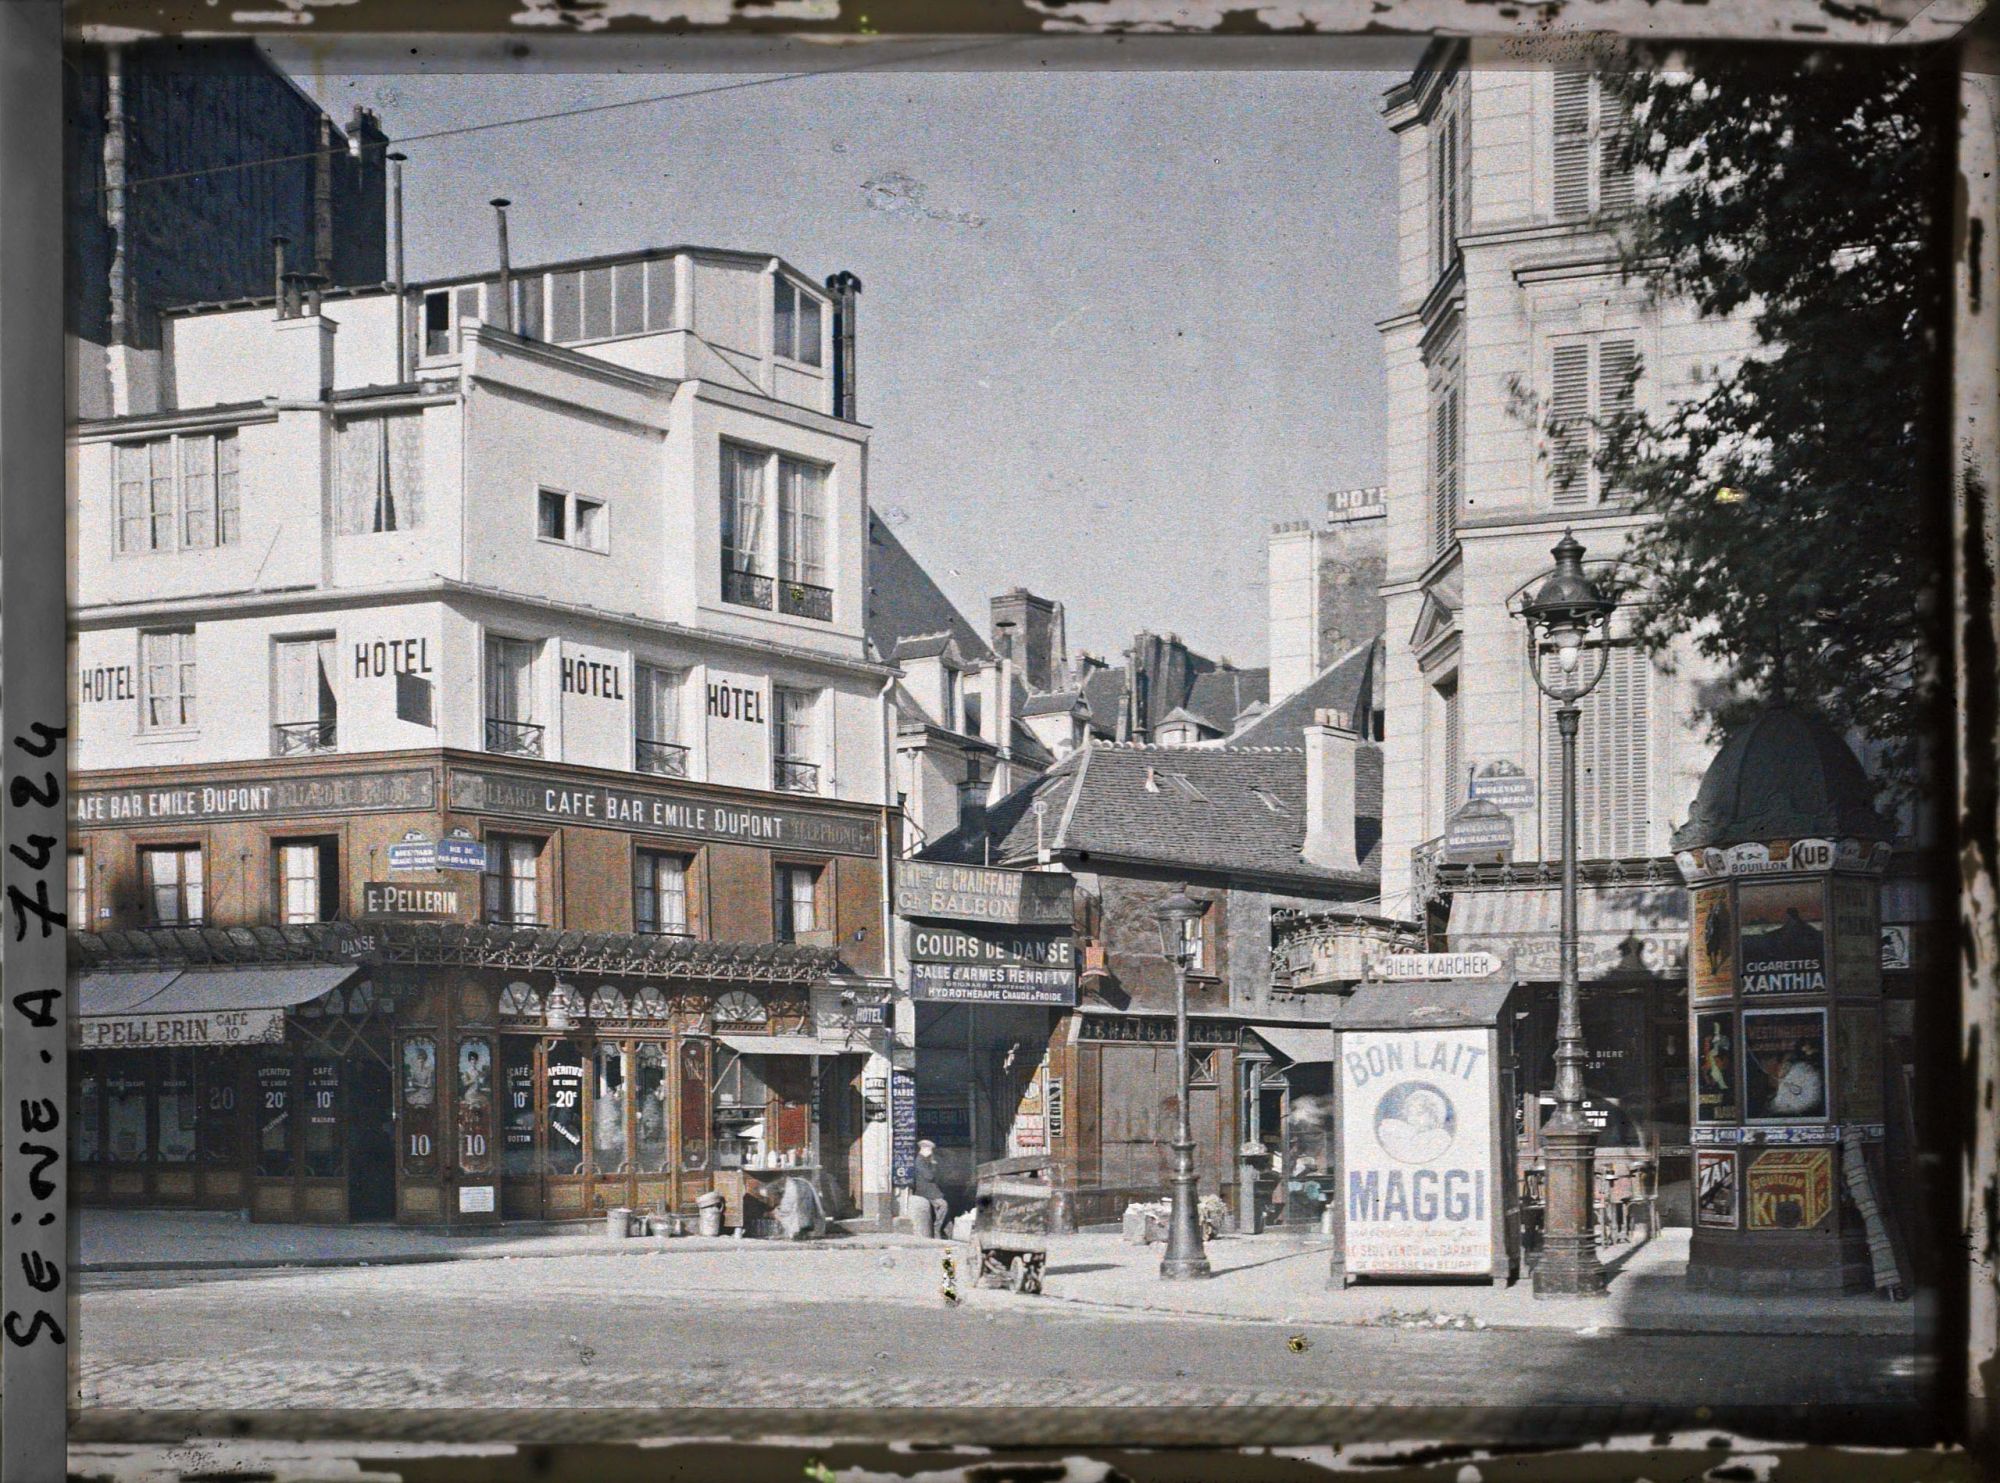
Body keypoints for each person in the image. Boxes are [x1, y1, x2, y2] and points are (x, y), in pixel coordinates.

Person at [910, 1139, 950, 1238]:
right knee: (943, 1205)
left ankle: (942, 1232)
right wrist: (933, 1165)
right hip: (926, 1190)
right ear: (923, 1149)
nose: (931, 1152)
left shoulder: (924, 1160)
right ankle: (937, 1228)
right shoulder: (920, 1161)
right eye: (930, 1149)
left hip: (931, 1189)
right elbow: (929, 1176)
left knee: (942, 1208)